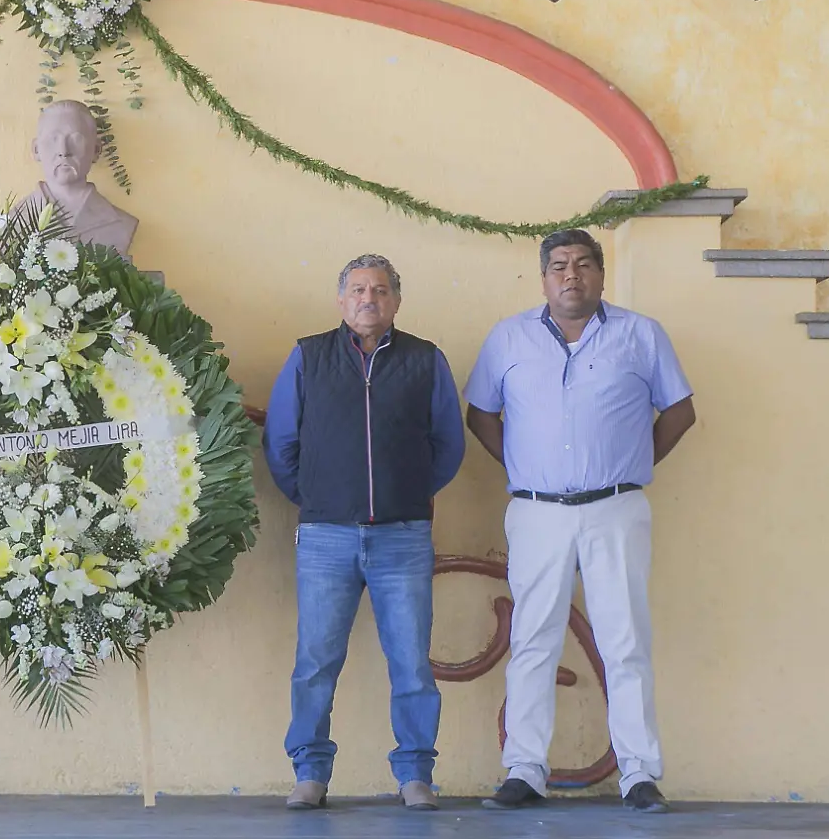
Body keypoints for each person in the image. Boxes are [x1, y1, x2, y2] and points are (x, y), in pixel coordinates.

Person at [464, 228, 697, 814]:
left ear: (601, 274)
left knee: (624, 640)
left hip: (615, 508)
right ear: (543, 278)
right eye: (560, 266)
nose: (572, 275)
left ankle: (639, 773)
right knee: (533, 638)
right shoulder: (508, 337)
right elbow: (481, 414)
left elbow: (680, 410)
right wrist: (521, 466)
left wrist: (634, 462)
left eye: (585, 265)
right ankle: (524, 769)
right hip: (537, 512)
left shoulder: (641, 335)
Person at [262, 254, 466, 812]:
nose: (368, 299)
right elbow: (281, 442)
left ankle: (415, 774)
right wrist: (316, 497)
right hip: (327, 536)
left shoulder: (425, 360)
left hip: (402, 536)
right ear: (340, 300)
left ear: (397, 301)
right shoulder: (309, 356)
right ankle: (309, 773)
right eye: (357, 290)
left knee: (412, 663)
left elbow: (448, 445)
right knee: (316, 661)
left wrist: (411, 492)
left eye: (379, 290)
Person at [15, 99, 139, 258]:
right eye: (53, 138)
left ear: (96, 150)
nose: (63, 151)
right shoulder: (16, 221)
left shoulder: (121, 223)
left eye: (76, 139)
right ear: (36, 149)